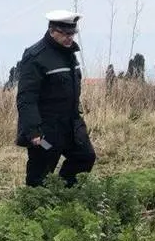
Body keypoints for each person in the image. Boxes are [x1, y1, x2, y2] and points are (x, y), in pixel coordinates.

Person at [15, 10, 96, 187]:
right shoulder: (35, 56)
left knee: (85, 157)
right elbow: (26, 98)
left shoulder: (70, 53)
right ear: (52, 31)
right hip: (45, 131)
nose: (70, 38)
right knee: (41, 174)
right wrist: (33, 130)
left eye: (72, 33)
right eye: (65, 33)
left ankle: (64, 193)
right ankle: (37, 202)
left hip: (71, 125)